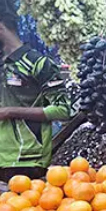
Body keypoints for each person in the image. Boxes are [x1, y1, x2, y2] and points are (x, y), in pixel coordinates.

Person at [0, 11, 71, 182]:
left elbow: (62, 110)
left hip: (26, 158)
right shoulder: (2, 64)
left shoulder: (39, 63)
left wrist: (10, 112)